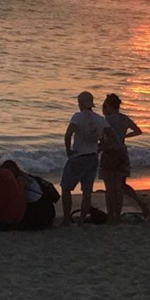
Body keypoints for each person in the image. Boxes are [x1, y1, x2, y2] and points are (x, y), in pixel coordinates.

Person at [98, 93, 150, 224]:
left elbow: (101, 137)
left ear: (108, 106)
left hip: (109, 154)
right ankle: (117, 215)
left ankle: (111, 217)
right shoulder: (124, 119)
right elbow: (138, 131)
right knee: (119, 189)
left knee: (109, 189)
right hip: (122, 153)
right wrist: (125, 137)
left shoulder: (105, 120)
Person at [60, 91, 109, 226]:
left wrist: (68, 150)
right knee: (87, 191)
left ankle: (66, 220)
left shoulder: (78, 117)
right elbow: (107, 139)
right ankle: (81, 220)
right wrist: (98, 148)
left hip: (78, 156)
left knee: (66, 188)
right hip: (92, 157)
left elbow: (68, 134)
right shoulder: (100, 119)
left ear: (80, 103)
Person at [1, 160, 56, 230]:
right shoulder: (27, 176)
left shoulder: (20, 180)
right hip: (48, 208)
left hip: (39, 210)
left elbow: (21, 200)